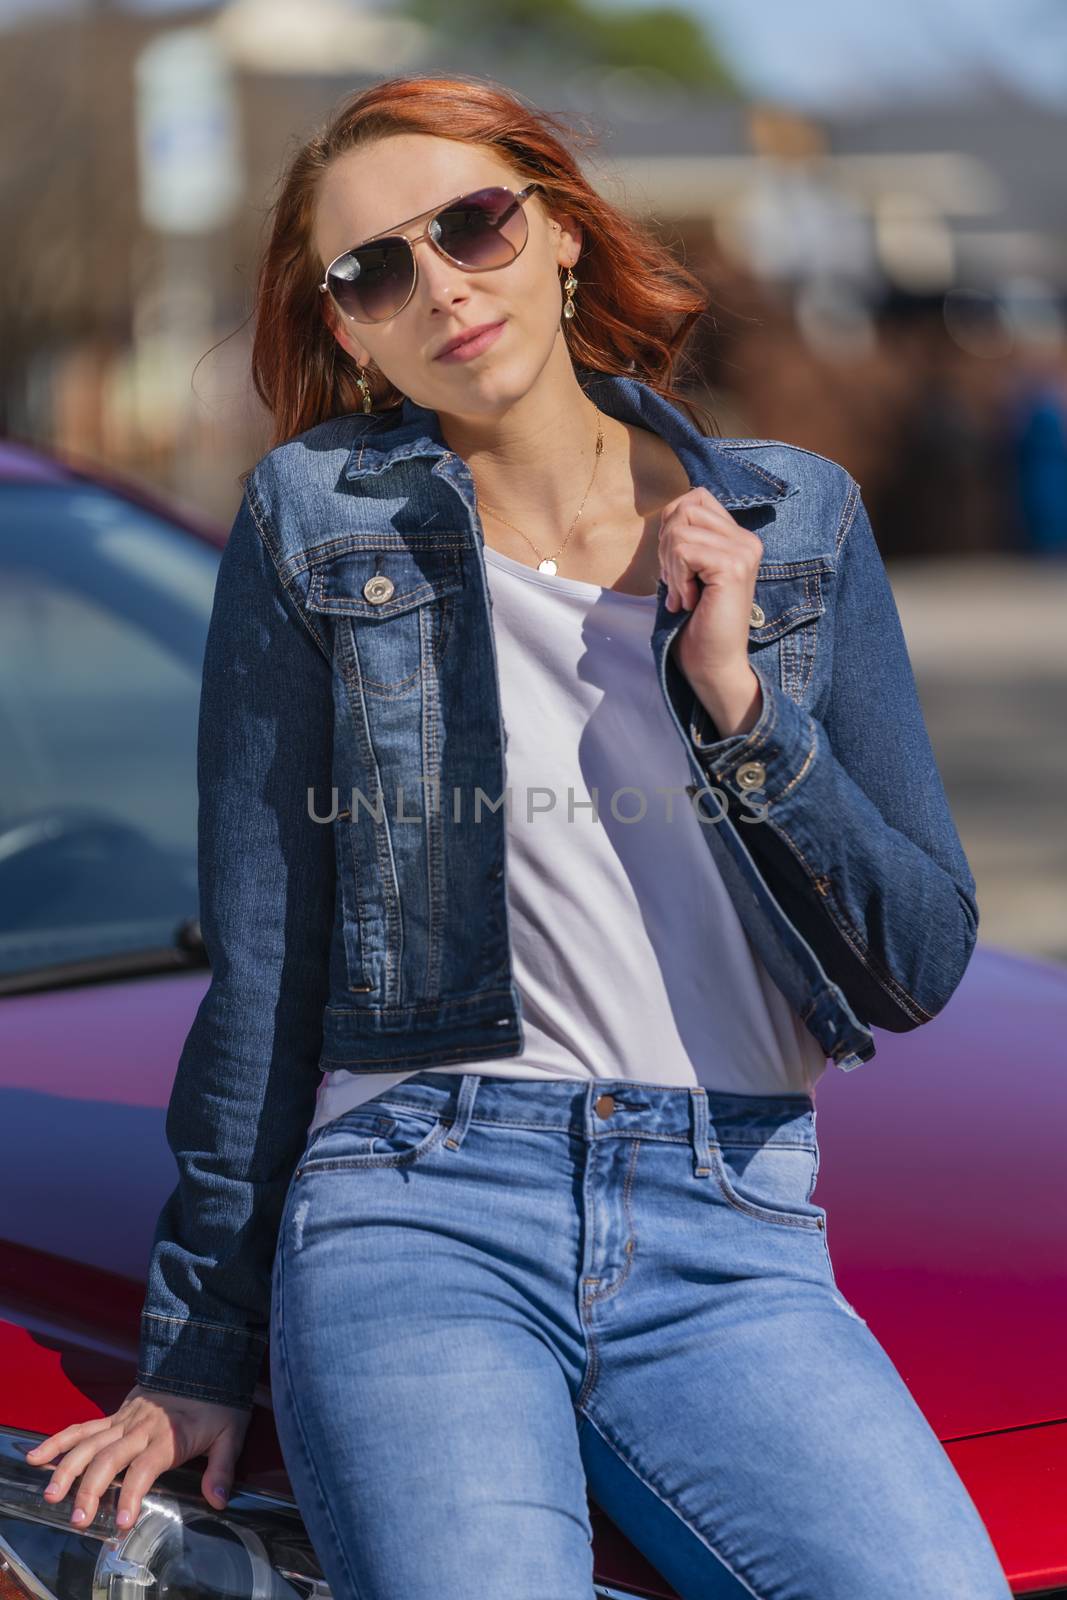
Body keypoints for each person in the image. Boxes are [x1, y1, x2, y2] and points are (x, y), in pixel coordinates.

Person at [25, 74, 1012, 1600]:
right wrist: (197, 1350)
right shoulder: (313, 521)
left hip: (732, 1219)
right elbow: (269, 953)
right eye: (373, 271)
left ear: (554, 232)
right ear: (348, 328)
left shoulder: (793, 522)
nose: (441, 286)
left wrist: (740, 705)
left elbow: (916, 957)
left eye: (472, 225)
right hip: (420, 1208)